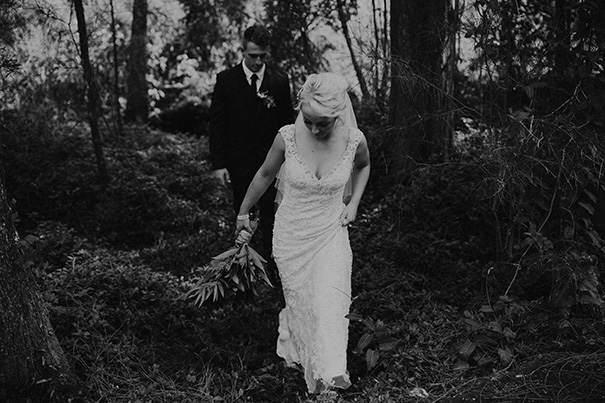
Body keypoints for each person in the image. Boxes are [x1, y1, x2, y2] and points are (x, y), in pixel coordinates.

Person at [235, 72, 371, 394]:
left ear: (338, 115)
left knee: (330, 302)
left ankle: (330, 378)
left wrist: (354, 204)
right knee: (302, 305)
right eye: (308, 121)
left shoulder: (354, 140)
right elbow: (265, 174)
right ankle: (300, 355)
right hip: (292, 237)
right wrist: (243, 213)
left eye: (322, 123)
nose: (313, 129)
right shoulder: (287, 137)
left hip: (331, 233)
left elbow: (363, 166)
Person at [209, 24, 295, 259]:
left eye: (262, 56)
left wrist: (290, 161)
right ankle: (243, 261)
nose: (258, 61)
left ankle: (271, 262)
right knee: (242, 213)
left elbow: (288, 124)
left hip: (272, 162)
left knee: (271, 216)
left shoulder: (279, 80)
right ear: (242, 50)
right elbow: (216, 124)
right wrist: (219, 164)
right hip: (238, 162)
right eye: (253, 55)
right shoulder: (226, 80)